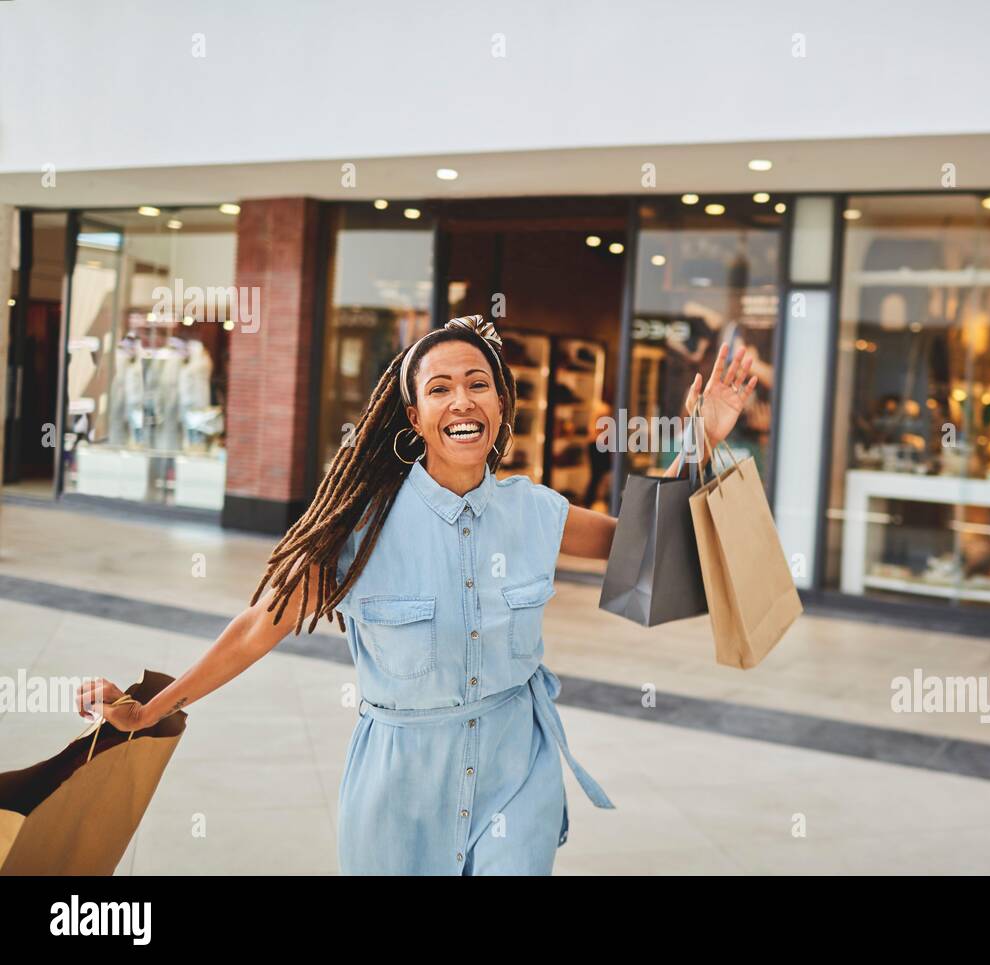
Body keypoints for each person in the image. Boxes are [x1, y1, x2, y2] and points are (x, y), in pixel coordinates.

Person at [76, 314, 756, 876]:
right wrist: (151, 709)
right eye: (440, 388)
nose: (462, 400)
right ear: (416, 413)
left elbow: (639, 544)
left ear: (499, 404)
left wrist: (698, 440)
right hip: (399, 785)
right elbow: (260, 624)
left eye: (478, 384)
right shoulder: (358, 533)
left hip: (516, 766)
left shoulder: (536, 511)